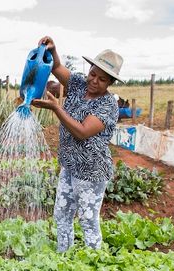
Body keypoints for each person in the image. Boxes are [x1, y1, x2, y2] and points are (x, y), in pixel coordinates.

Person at [31, 36, 123, 253]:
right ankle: (64, 256)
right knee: (61, 215)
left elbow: (82, 132)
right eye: (93, 74)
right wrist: (52, 50)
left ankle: (94, 264)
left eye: (102, 79)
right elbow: (57, 67)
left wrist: (56, 108)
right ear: (89, 70)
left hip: (91, 171)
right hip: (70, 166)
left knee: (88, 221)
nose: (94, 81)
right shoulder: (79, 84)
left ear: (110, 83)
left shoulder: (107, 104)